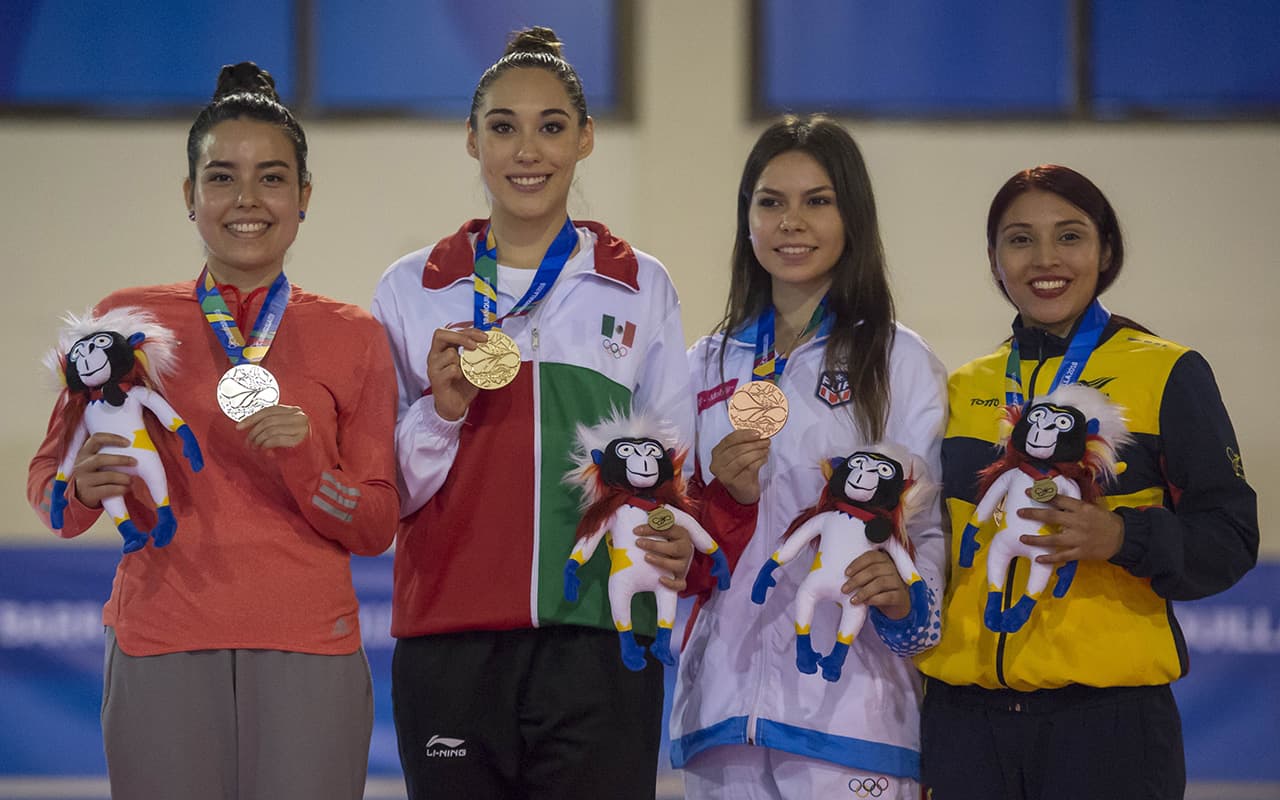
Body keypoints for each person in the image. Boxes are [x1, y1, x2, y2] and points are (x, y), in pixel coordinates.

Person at [26, 62, 399, 800]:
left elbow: (377, 525)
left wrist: (305, 466)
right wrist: (79, 490)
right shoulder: (126, 321)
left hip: (307, 646)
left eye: (272, 177)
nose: (247, 199)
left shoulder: (354, 336)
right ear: (189, 197)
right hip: (161, 639)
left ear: (304, 197)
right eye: (222, 177)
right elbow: (48, 484)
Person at [371, 27, 696, 800]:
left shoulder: (639, 285)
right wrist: (443, 414)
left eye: (552, 126)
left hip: (603, 639)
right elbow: (390, 493)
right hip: (450, 641)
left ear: (585, 138)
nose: (528, 150)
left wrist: (674, 537)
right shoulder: (413, 288)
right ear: (472, 140)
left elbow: (672, 461)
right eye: (503, 127)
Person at [916, 164, 1259, 800]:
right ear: (994, 261)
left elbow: (1231, 536)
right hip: (964, 726)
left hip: (1107, 729)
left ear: (1105, 251)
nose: (1046, 259)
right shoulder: (962, 388)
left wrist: (1122, 536)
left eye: (1069, 236)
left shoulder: (1167, 372)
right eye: (1020, 239)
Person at [669, 114, 948, 800]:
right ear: (747, 219)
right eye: (771, 202)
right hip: (723, 719)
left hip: (854, 710)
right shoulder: (703, 365)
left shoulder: (900, 361)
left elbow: (930, 528)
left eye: (817, 200)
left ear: (852, 214)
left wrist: (909, 594)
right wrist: (714, 506)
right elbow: (672, 535)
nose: (792, 222)